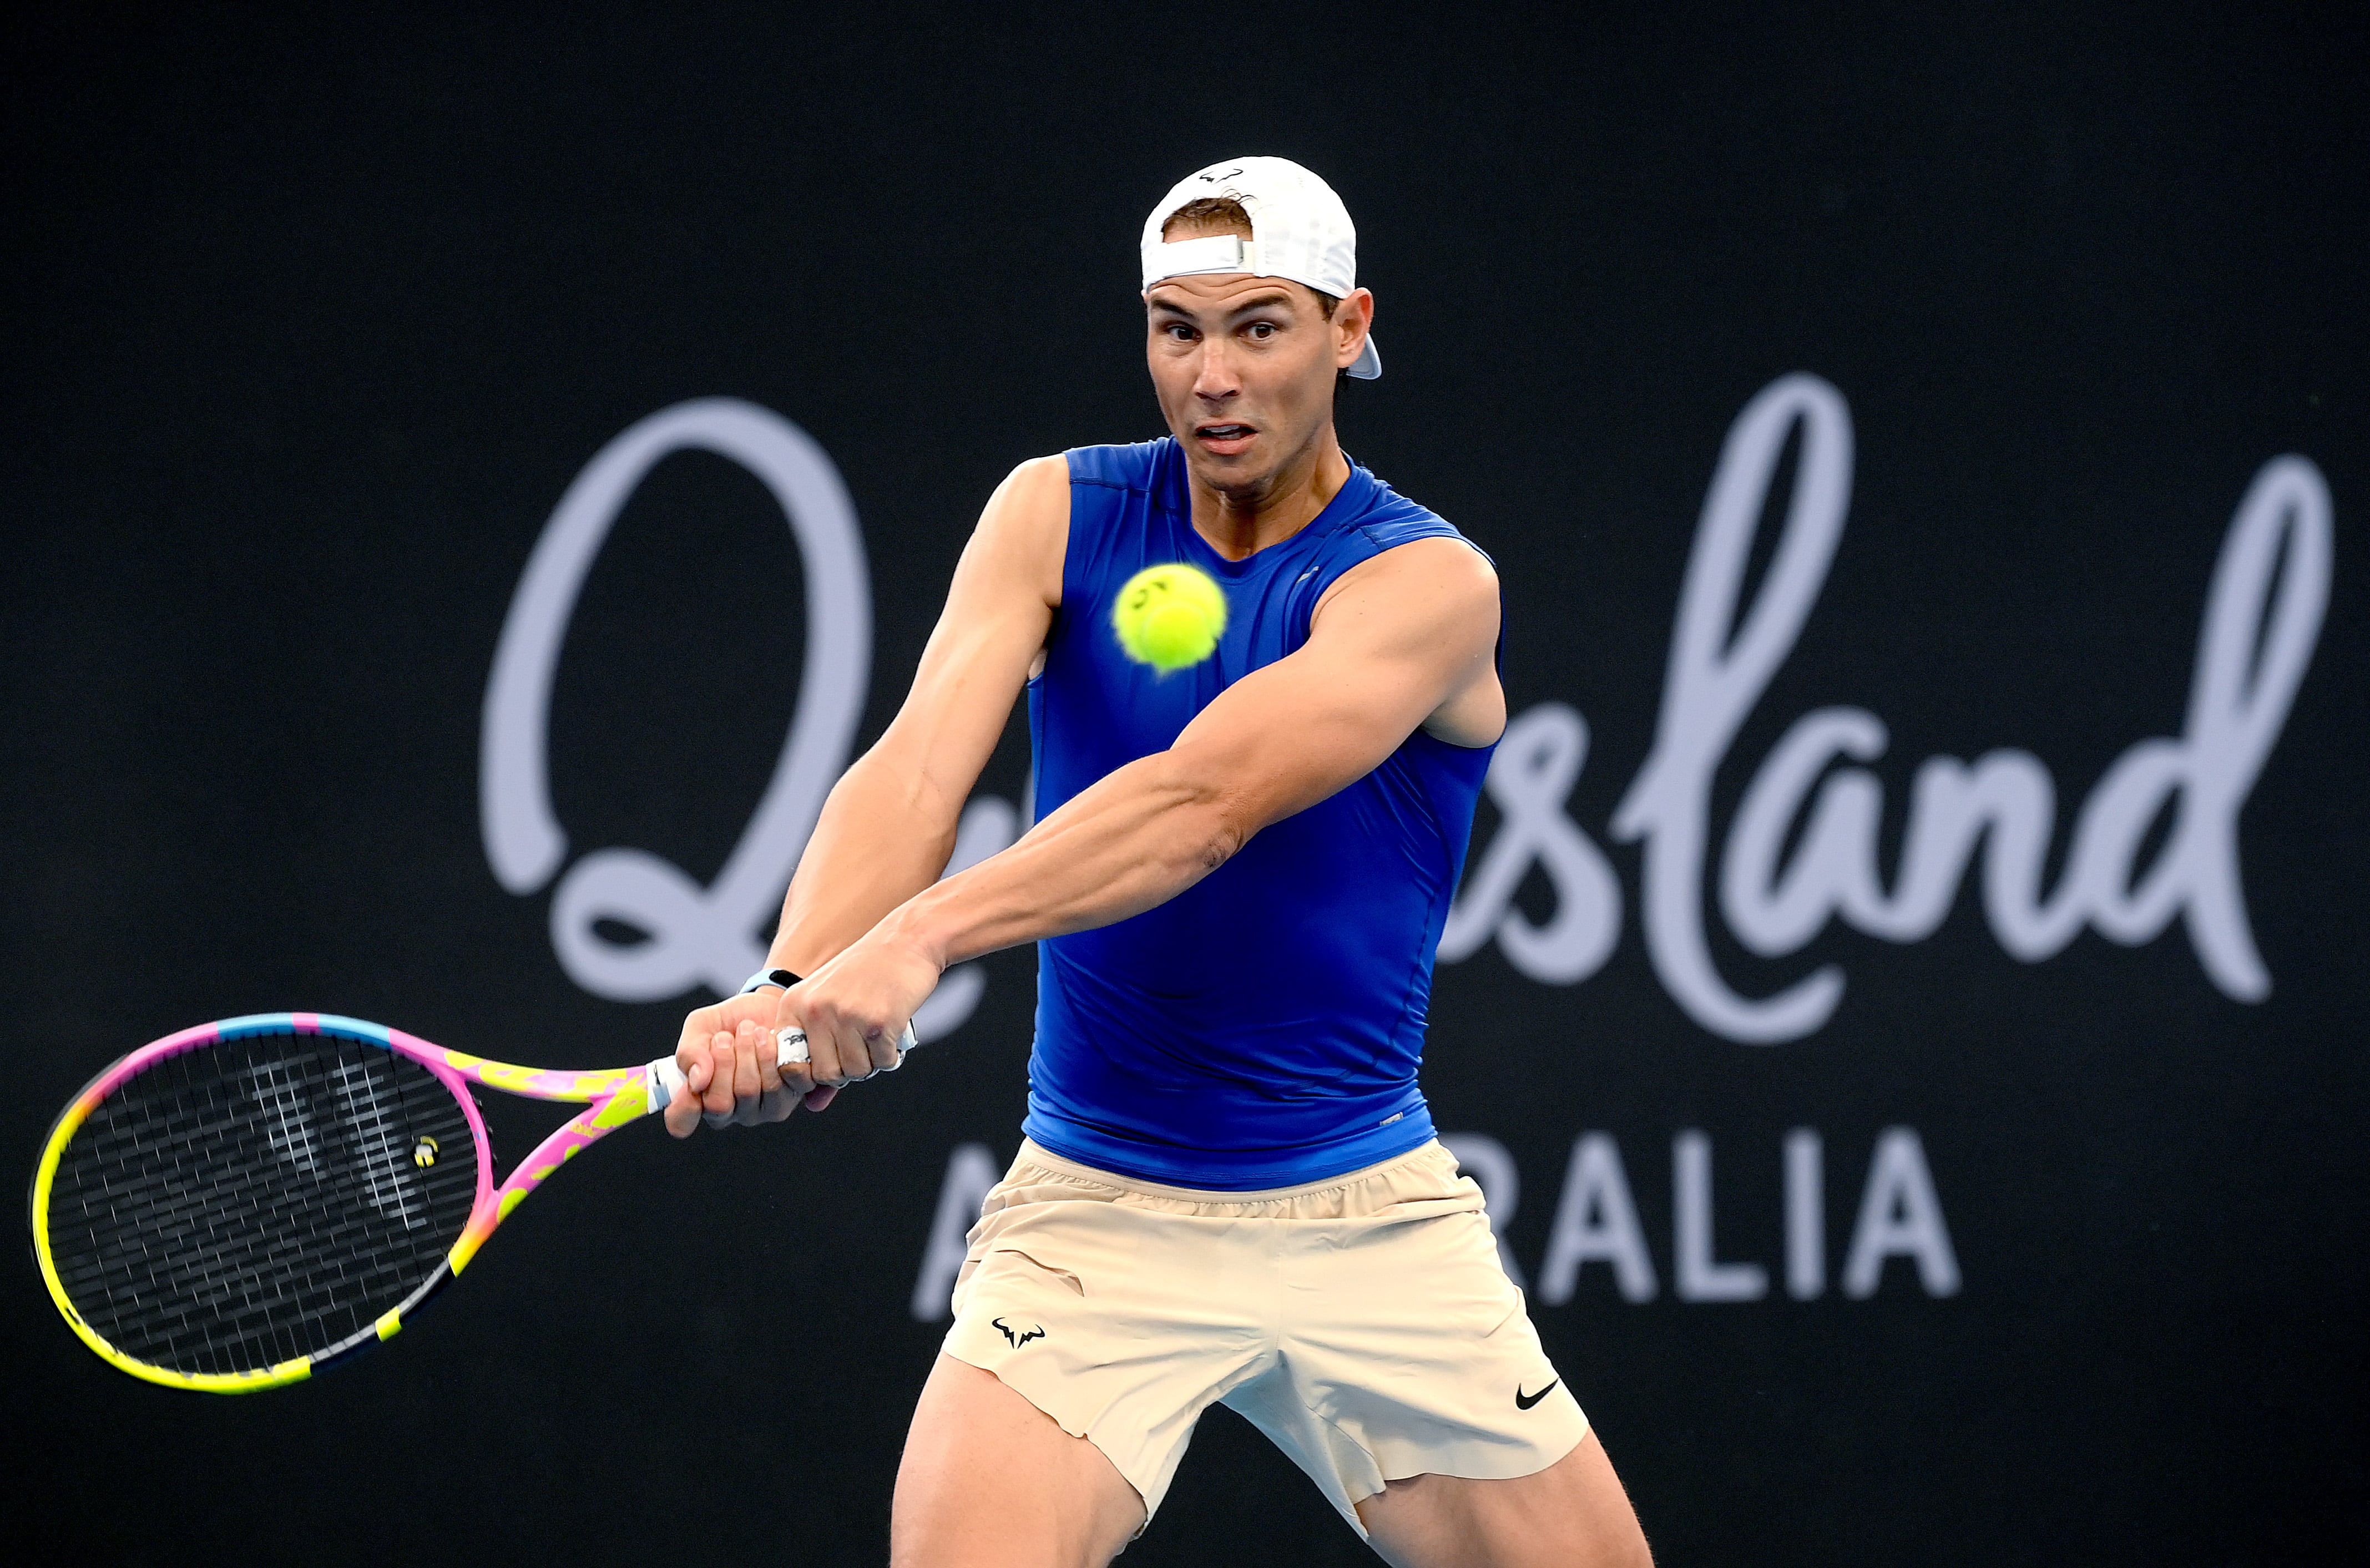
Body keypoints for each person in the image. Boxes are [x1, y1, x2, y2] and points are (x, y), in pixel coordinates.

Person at [665, 156, 1653, 1568]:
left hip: (1369, 1218)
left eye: (1260, 327)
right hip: (1097, 1215)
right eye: (1176, 329)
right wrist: (790, 981)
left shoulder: (1430, 585)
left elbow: (1205, 803)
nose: (1212, 376)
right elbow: (916, 768)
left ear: (1351, 328)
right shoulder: (1052, 514)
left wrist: (923, 940)